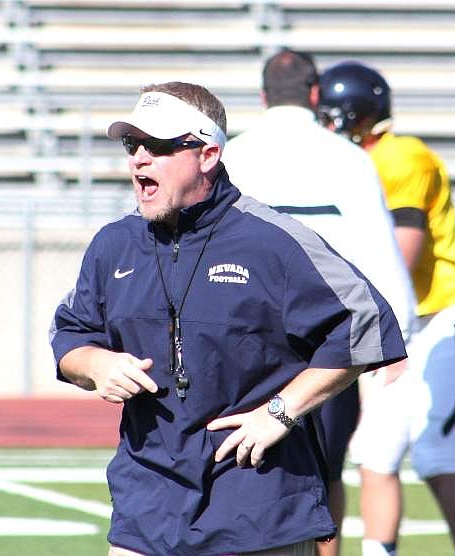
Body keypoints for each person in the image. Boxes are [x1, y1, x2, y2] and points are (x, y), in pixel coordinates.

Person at [49, 80, 408, 556]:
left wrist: (281, 412)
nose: (138, 158)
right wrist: (95, 364)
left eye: (157, 146)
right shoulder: (113, 244)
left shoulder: (274, 241)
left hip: (259, 509)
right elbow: (71, 334)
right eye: (132, 144)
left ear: (207, 154)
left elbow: (365, 325)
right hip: (145, 509)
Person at [223, 49, 417, 556]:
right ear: (315, 94)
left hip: (248, 340)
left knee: (238, 468)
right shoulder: (349, 157)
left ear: (264, 97)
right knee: (325, 475)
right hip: (328, 343)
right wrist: (397, 338)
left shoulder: (233, 154)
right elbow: (381, 250)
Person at [318, 61, 455, 556]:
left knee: (436, 456)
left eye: (333, 118)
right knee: (375, 454)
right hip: (399, 326)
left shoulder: (400, 157)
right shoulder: (353, 164)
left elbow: (403, 251)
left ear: (357, 116)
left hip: (442, 318)